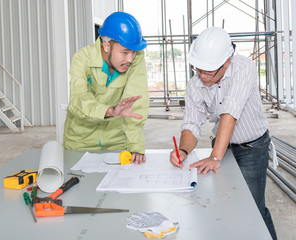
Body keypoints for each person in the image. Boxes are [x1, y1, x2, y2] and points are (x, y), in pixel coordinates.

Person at [169, 27, 277, 239]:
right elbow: (192, 123)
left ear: (226, 62)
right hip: (222, 145)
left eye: (209, 71)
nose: (203, 76)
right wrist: (183, 150)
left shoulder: (244, 67)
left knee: (253, 209)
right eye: (198, 69)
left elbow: (230, 112)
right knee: (224, 206)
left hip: (253, 147)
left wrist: (215, 157)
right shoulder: (195, 84)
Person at [63, 12, 149, 164]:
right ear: (107, 45)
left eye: (133, 52)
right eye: (124, 52)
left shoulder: (136, 58)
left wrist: (135, 146)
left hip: (117, 141)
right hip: (80, 141)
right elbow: (78, 100)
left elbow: (136, 103)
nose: (130, 58)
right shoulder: (82, 58)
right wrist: (110, 111)